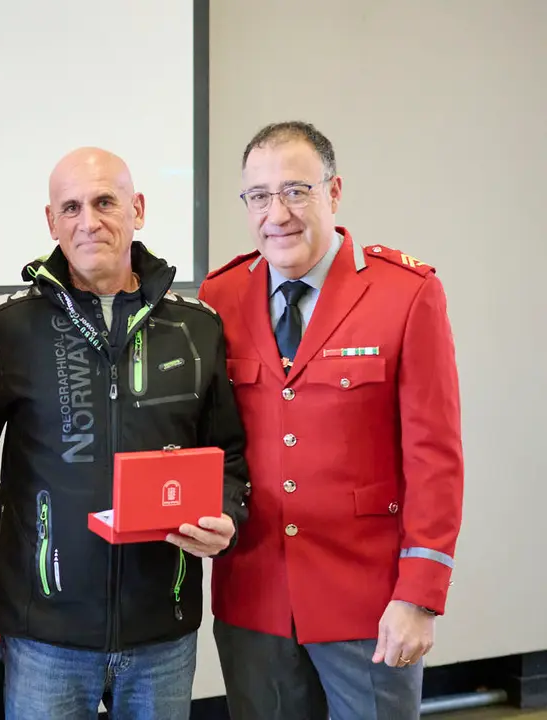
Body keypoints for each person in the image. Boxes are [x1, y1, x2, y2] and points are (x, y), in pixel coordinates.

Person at [0, 147, 251, 720]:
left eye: (104, 202)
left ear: (137, 209)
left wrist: (227, 515)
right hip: (45, 629)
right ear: (51, 221)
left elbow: (231, 456)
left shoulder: (195, 327)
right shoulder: (8, 327)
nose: (88, 221)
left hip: (161, 628)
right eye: (70, 207)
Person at [198, 120, 464, 719]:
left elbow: (436, 458)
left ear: (334, 193)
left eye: (296, 191)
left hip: (365, 601)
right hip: (255, 598)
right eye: (259, 196)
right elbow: (214, 439)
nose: (278, 213)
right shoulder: (221, 298)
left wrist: (420, 596)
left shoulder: (405, 294)